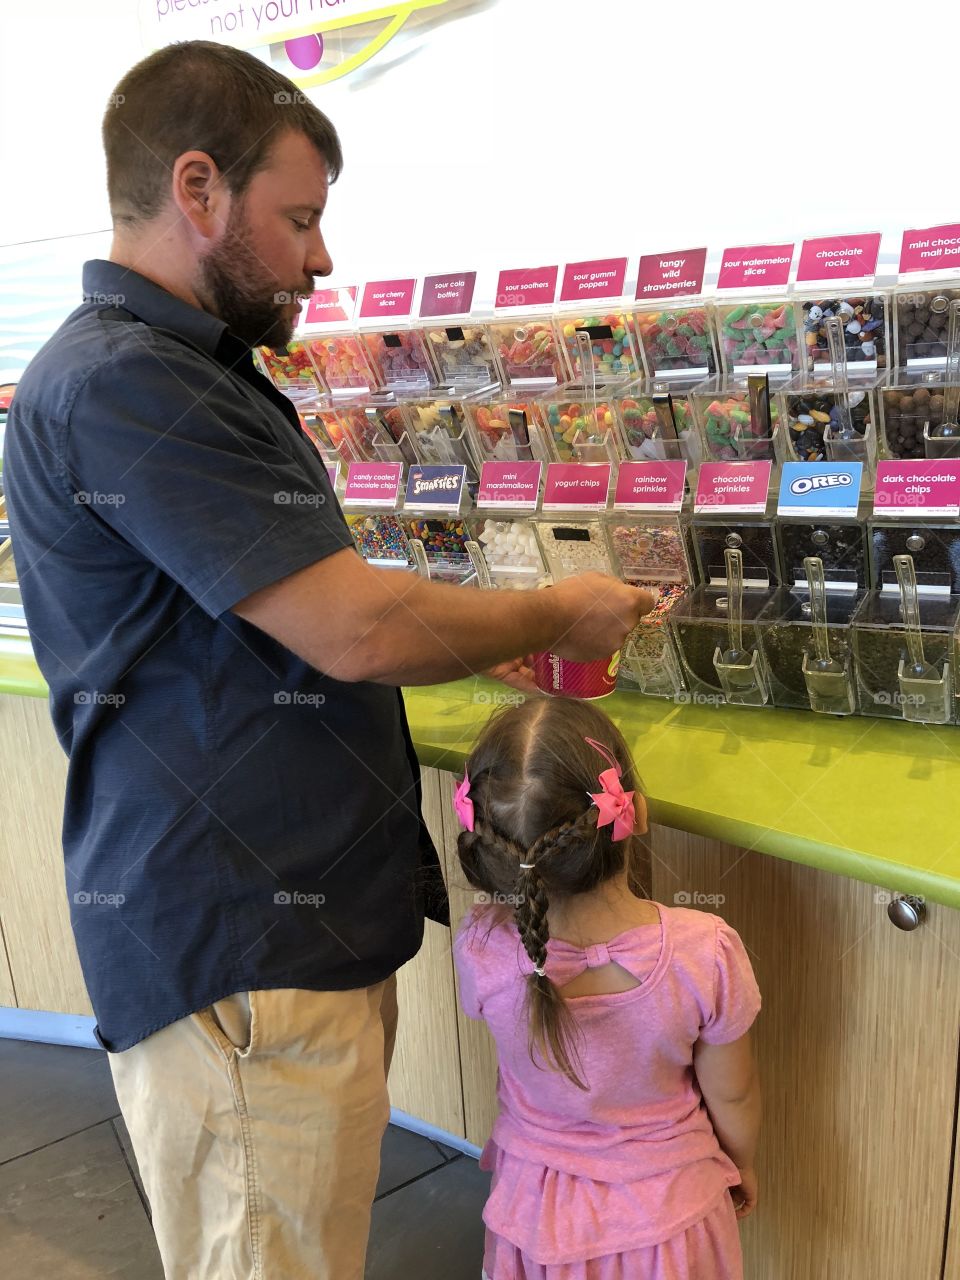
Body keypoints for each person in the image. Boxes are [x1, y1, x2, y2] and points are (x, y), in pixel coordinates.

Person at [2, 39, 653, 1280]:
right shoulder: (128, 385)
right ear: (198, 190)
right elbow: (356, 626)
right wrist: (558, 610)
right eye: (298, 217)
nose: (321, 255)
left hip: (271, 950)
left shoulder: (175, 373)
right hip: (240, 959)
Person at [453, 697, 761, 1280]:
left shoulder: (482, 946)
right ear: (634, 812)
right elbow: (735, 1096)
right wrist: (741, 1164)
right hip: (673, 1220)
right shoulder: (705, 950)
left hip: (537, 1219)